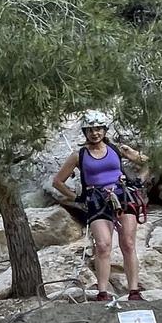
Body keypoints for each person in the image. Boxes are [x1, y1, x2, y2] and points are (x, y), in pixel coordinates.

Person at [50, 109, 150, 304]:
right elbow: (58, 182)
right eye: (90, 130)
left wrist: (138, 179)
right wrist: (78, 198)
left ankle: (134, 291)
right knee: (103, 246)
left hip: (122, 197)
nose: (95, 133)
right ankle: (102, 292)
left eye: (98, 129)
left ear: (104, 130)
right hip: (97, 202)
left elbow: (147, 163)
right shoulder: (78, 155)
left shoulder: (117, 149)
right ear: (85, 132)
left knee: (128, 243)